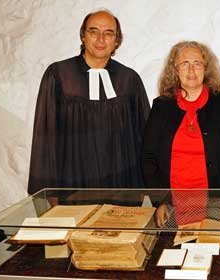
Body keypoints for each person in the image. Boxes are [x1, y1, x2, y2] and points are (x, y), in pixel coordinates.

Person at [28, 9, 150, 195]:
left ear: (116, 41)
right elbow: (45, 137)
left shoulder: (129, 80)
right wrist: (47, 194)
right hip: (71, 187)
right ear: (83, 37)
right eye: (93, 32)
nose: (100, 39)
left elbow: (146, 139)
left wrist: (153, 192)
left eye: (108, 33)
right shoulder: (59, 75)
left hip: (122, 188)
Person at [143, 41, 220, 227]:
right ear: (175, 70)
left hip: (217, 204)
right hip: (173, 205)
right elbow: (148, 157)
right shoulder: (161, 106)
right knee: (172, 254)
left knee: (216, 254)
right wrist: (159, 201)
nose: (191, 70)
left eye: (197, 63)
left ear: (205, 69)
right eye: (184, 64)